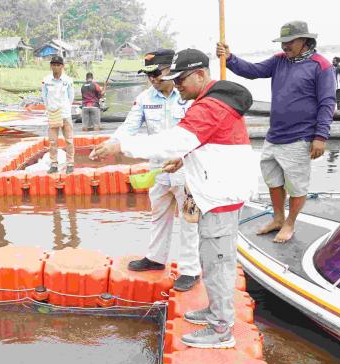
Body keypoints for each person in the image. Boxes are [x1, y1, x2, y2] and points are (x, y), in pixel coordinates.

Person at [91, 49, 258, 348]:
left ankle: (222, 329)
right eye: (173, 79)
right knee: (212, 255)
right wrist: (183, 158)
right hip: (214, 188)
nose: (176, 84)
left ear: (201, 75)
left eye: (180, 78)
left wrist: (121, 145)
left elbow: (175, 141)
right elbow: (202, 143)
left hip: (219, 193)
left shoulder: (209, 106)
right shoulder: (206, 102)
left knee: (217, 260)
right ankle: (214, 310)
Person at [217, 21, 336, 243]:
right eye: (283, 42)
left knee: (297, 185)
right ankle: (278, 218)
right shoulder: (279, 61)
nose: (285, 46)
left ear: (305, 41)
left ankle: (290, 223)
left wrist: (321, 137)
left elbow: (327, 103)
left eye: (290, 42)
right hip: (274, 135)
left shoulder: (321, 66)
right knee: (272, 180)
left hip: (300, 137)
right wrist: (230, 58)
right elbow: (253, 71)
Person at [108, 49, 201, 292]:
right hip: (158, 168)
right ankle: (155, 258)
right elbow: (128, 127)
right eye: (148, 75)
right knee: (158, 213)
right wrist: (111, 144)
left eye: (157, 73)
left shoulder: (189, 97)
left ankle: (190, 269)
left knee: (190, 219)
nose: (153, 79)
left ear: (170, 69)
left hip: (186, 167)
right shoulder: (144, 98)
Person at [42, 55, 75, 174]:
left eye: (58, 65)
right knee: (52, 141)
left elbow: (71, 97)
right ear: (51, 66)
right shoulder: (46, 81)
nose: (56, 67)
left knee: (69, 140)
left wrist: (65, 108)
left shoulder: (68, 81)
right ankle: (54, 164)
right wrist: (50, 109)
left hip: (65, 113)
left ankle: (70, 163)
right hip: (52, 113)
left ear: (62, 66)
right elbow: (44, 97)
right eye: (54, 65)